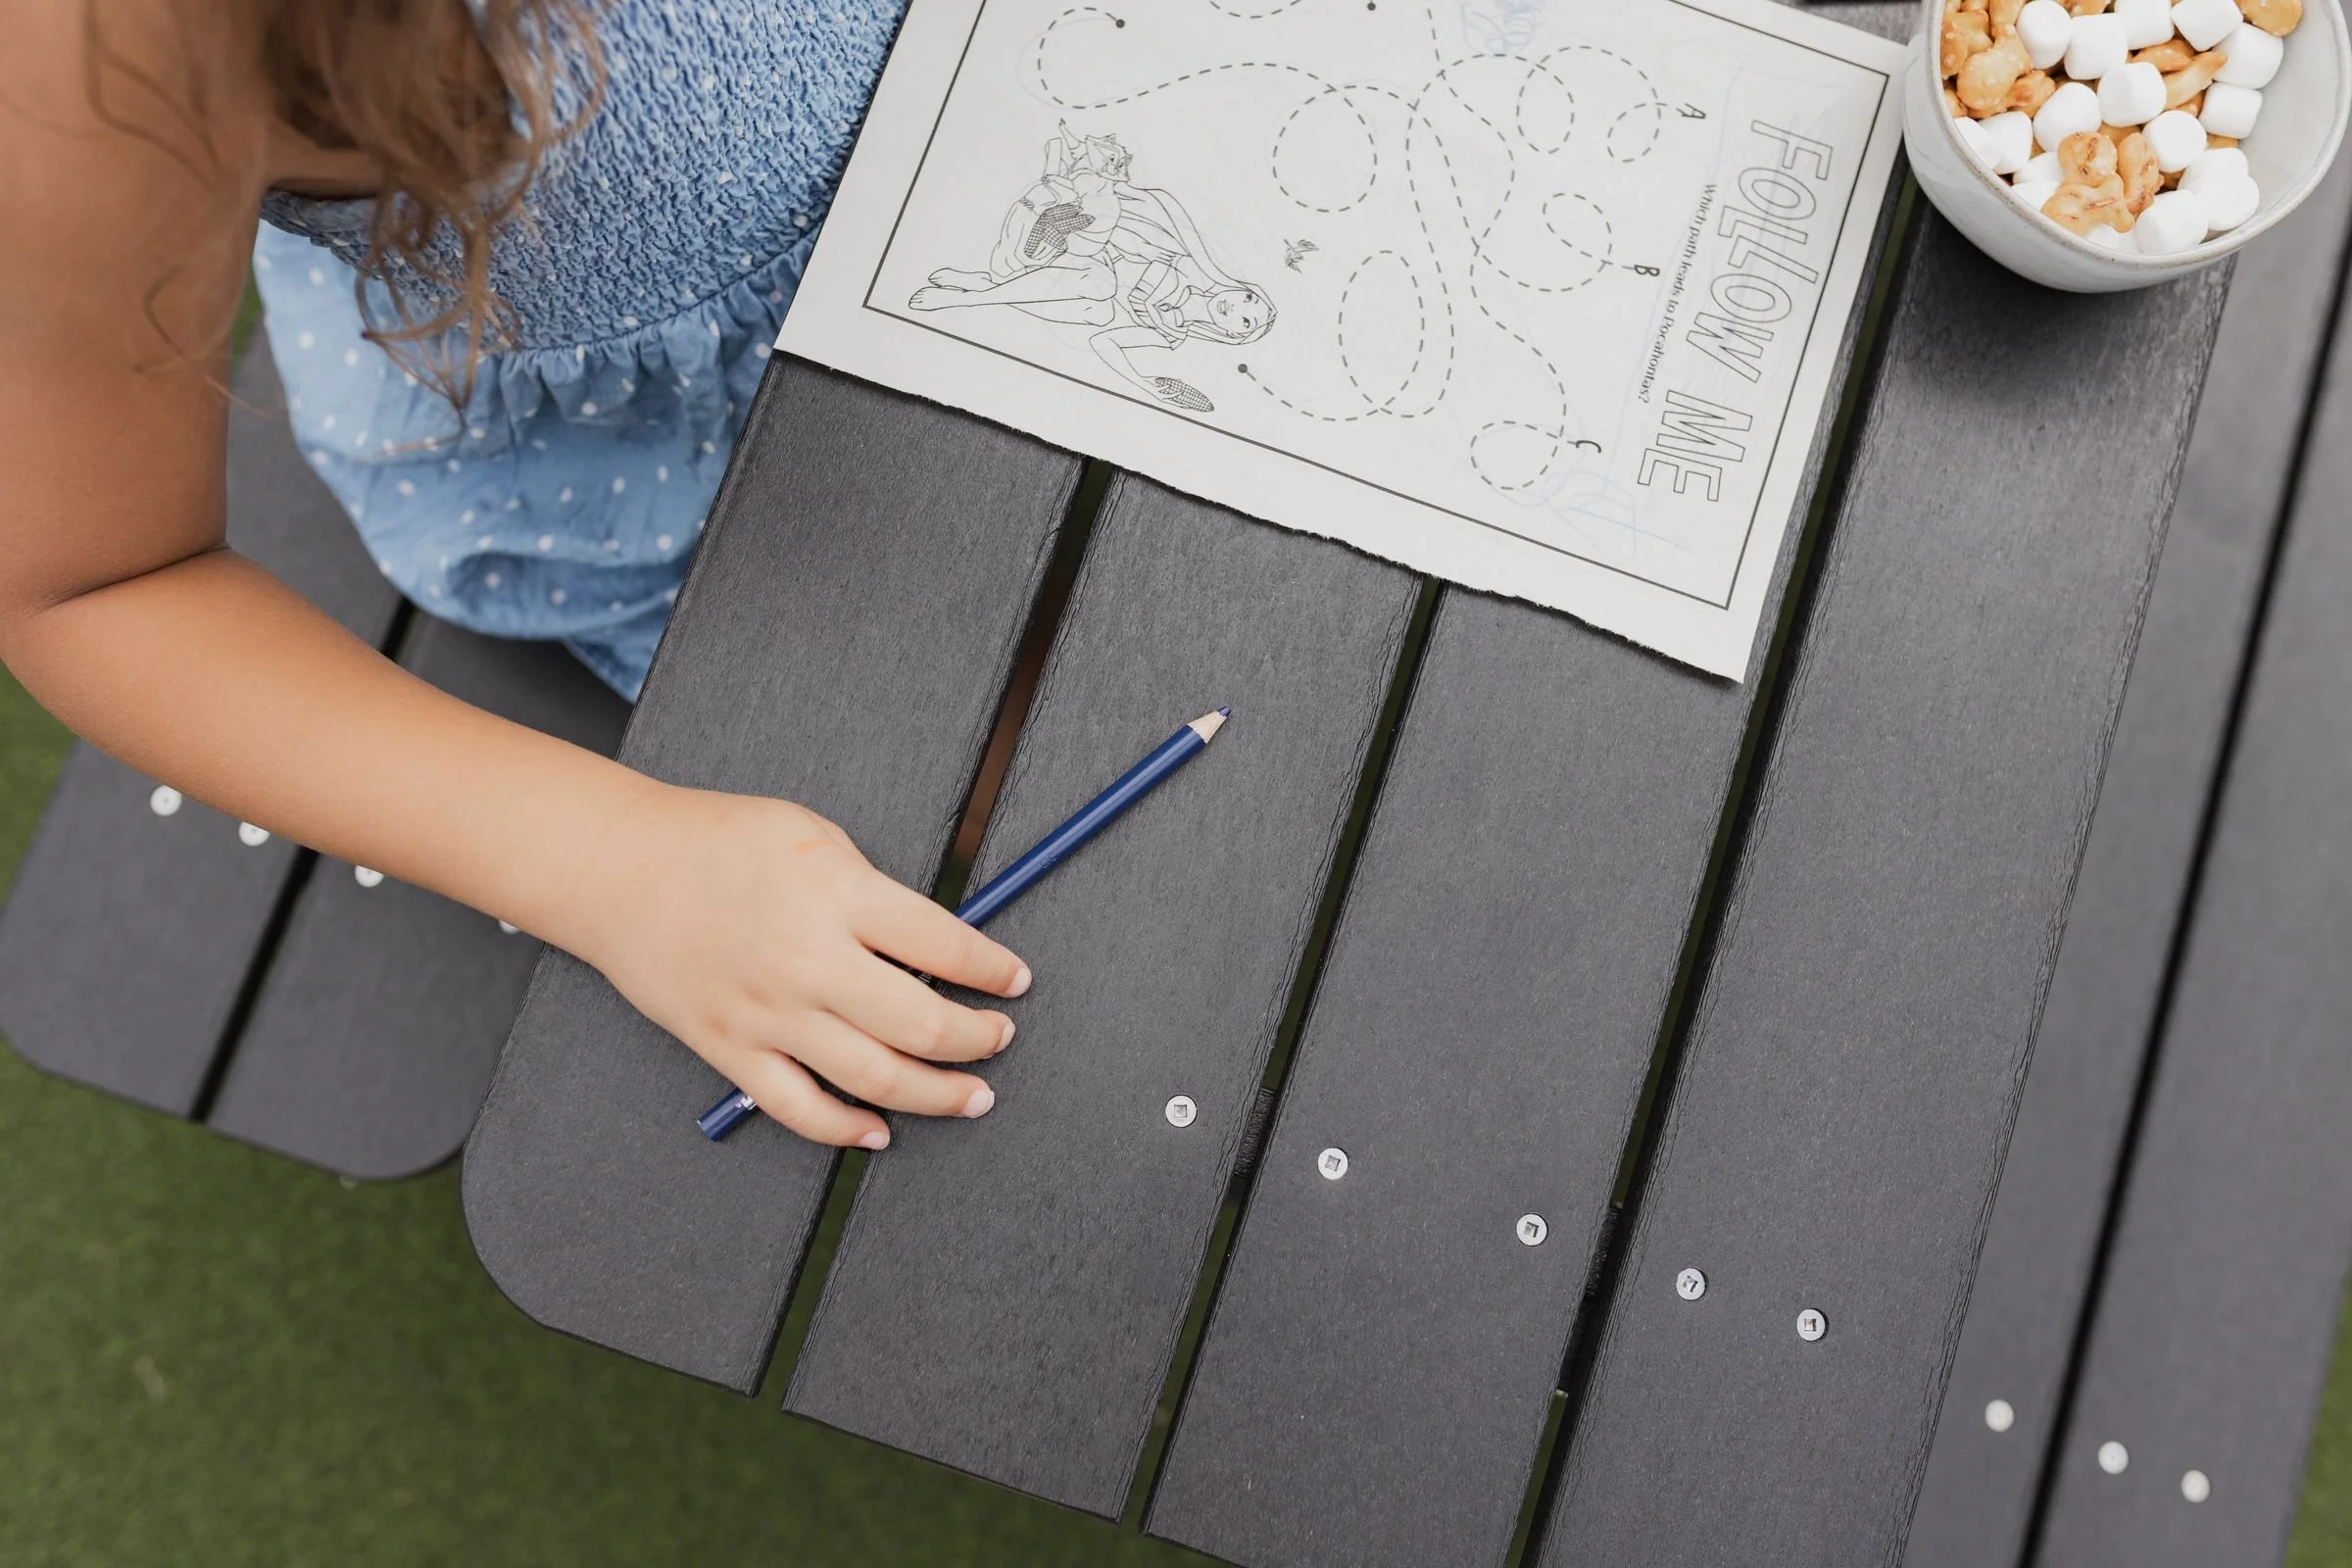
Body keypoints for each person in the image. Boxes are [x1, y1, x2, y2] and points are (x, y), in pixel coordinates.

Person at [0, 0, 1026, 1152]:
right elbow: (96, 588)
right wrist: (623, 868)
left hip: (1013, 184)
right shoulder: (83, 62)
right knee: (1002, 763)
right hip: (658, 457)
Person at [908, 123, 1274, 413]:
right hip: (1075, 254)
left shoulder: (1170, 335)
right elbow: (1125, 242)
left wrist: (1143, 383)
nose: (1237, 307)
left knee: (1099, 311)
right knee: (1101, 283)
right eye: (1246, 298)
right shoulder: (1185, 267)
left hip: (1071, 289)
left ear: (1232, 335)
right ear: (1237, 286)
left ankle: (981, 286)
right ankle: (972, 296)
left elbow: (1104, 341)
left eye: (1245, 321)